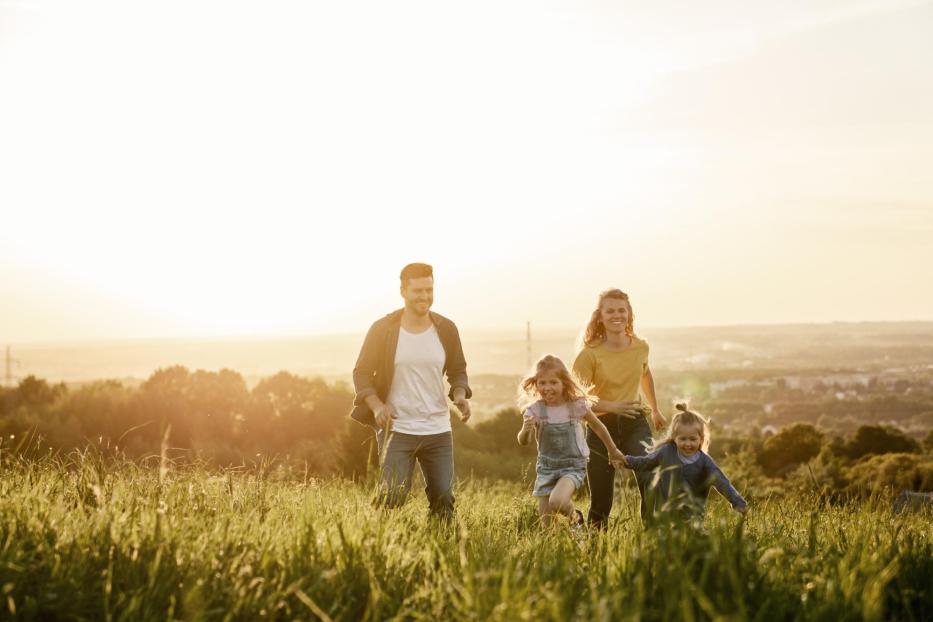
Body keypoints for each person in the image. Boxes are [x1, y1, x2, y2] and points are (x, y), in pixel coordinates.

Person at [349, 263, 471, 520]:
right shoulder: (383, 329)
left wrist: (459, 394)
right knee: (391, 496)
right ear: (403, 291)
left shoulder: (446, 328)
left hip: (437, 429)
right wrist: (376, 406)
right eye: (418, 291)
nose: (424, 296)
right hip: (397, 429)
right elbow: (361, 373)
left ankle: (442, 552)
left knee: (444, 498)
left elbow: (457, 369)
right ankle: (377, 546)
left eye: (429, 289)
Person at [572, 289, 666, 527]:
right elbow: (575, 400)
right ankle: (595, 546)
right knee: (602, 500)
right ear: (600, 316)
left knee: (650, 477)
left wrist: (655, 409)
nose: (617, 315)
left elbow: (645, 373)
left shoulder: (641, 346)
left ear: (629, 314)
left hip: (635, 423)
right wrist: (613, 406)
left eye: (621, 310)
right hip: (600, 427)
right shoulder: (588, 354)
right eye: (610, 310)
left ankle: (652, 535)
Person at [517, 355, 626, 527]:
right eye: (542, 383)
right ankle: (565, 543)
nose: (547, 388)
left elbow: (598, 427)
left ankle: (576, 519)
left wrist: (612, 450)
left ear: (564, 383)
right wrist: (526, 429)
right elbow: (524, 441)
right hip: (546, 467)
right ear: (536, 384)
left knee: (558, 501)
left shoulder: (575, 406)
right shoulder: (535, 409)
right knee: (546, 527)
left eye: (553, 382)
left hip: (572, 466)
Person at [621, 403, 747, 520]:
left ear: (701, 439)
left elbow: (722, 482)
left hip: (692, 518)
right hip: (664, 518)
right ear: (674, 438)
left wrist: (737, 502)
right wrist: (625, 460)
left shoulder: (705, 462)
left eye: (693, 439)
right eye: (683, 439)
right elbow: (645, 462)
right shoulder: (666, 452)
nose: (688, 444)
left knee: (691, 542)